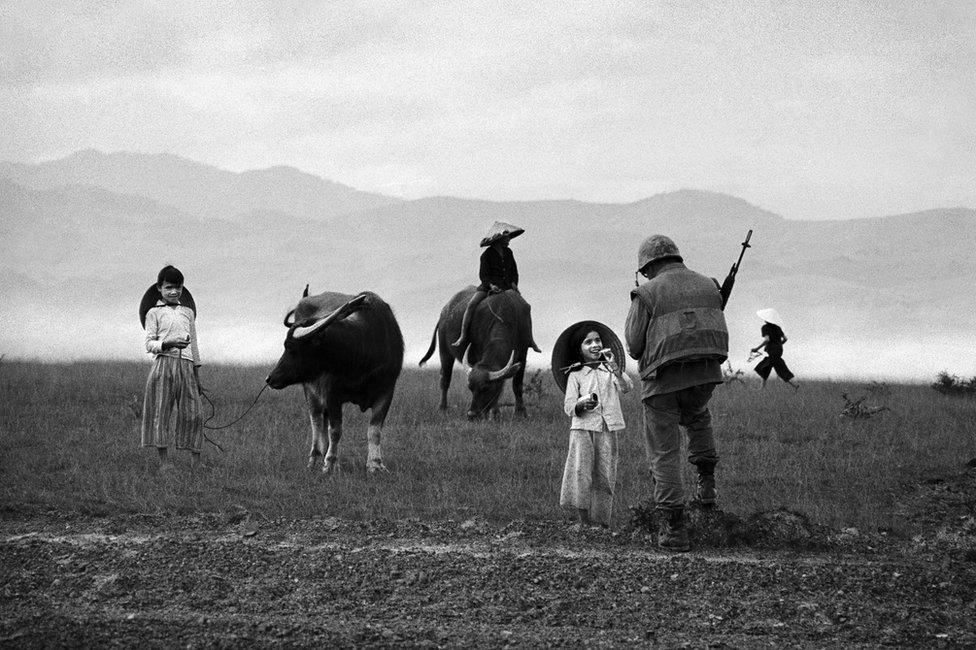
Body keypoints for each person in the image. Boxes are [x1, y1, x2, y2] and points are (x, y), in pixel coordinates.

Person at [624, 235, 729, 552]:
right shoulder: (709, 284)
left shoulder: (647, 292)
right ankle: (706, 486)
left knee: (664, 451)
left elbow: (633, 345)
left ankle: (673, 529)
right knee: (698, 416)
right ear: (676, 257)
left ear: (648, 266)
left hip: (663, 383)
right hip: (706, 377)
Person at [559, 327, 633, 529]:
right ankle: (583, 521)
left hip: (607, 429)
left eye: (597, 340)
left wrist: (615, 368)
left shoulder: (610, 372)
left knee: (605, 475)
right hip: (582, 429)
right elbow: (568, 406)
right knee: (581, 473)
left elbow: (627, 387)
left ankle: (601, 524)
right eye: (588, 342)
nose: (595, 345)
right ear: (579, 348)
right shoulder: (576, 375)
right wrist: (581, 405)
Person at [141, 265, 204, 471]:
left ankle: (196, 462)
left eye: (177, 287)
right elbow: (149, 344)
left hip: (186, 367)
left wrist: (197, 375)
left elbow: (193, 345)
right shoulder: (154, 313)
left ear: (182, 288)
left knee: (194, 413)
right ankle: (164, 463)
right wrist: (168, 343)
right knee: (161, 411)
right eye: (168, 287)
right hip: (163, 365)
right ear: (159, 288)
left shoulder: (187, 312)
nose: (173, 291)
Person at [452, 221, 541, 353]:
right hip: (488, 287)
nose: (509, 240)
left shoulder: (508, 252)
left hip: (507, 287)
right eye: (507, 238)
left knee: (525, 307)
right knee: (471, 305)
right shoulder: (486, 255)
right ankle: (463, 336)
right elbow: (483, 275)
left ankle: (530, 339)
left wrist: (514, 283)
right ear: (499, 239)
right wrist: (491, 285)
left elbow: (514, 271)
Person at [751, 308, 799, 390]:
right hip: (779, 350)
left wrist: (756, 348)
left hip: (773, 351)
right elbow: (785, 339)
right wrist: (778, 345)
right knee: (767, 367)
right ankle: (762, 388)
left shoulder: (765, 327)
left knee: (769, 367)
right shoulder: (778, 328)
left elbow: (767, 340)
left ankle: (795, 385)